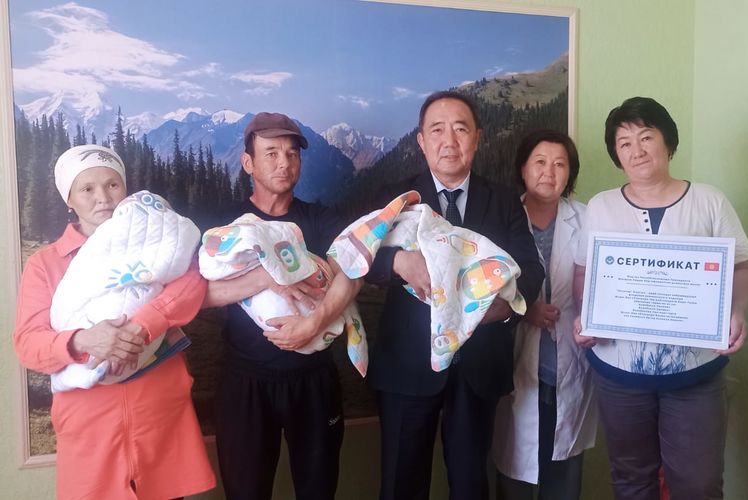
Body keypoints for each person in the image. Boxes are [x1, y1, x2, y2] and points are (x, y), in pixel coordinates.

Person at [364, 91, 545, 500]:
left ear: (477, 138)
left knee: (469, 484)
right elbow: (357, 259)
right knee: (401, 484)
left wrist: (503, 310)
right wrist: (398, 262)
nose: (449, 141)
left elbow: (531, 269)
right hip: (407, 367)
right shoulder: (396, 198)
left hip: (478, 368)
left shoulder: (503, 200)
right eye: (437, 130)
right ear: (421, 140)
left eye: (461, 129)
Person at [573, 97, 748, 499]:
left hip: (695, 374)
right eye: (624, 143)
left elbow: (742, 267)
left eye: (646, 137)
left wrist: (737, 310)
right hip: (618, 372)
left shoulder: (709, 201)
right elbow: (584, 272)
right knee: (630, 479)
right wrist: (586, 314)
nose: (636, 150)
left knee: (699, 483)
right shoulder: (601, 206)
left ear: (668, 142)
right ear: (616, 155)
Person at [13, 145, 215, 500]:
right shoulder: (45, 264)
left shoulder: (159, 240)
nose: (103, 198)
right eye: (87, 189)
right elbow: (28, 343)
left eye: (112, 185)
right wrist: (82, 340)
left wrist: (142, 325)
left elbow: (193, 282)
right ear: (69, 200)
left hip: (160, 414)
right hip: (90, 425)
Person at [201, 112, 362, 500]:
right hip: (245, 382)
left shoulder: (320, 220)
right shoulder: (226, 225)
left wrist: (314, 322)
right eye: (271, 153)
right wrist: (265, 277)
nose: (284, 163)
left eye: (292, 153)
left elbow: (353, 274)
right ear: (248, 163)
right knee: (246, 492)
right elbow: (200, 296)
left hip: (313, 380)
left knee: (318, 489)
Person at [493, 130, 597, 500]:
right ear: (523, 168)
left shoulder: (587, 219)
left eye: (559, 164)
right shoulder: (501, 217)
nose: (548, 172)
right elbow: (483, 284)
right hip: (517, 357)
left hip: (570, 359)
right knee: (515, 471)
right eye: (539, 162)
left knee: (563, 470)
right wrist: (524, 309)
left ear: (570, 173)